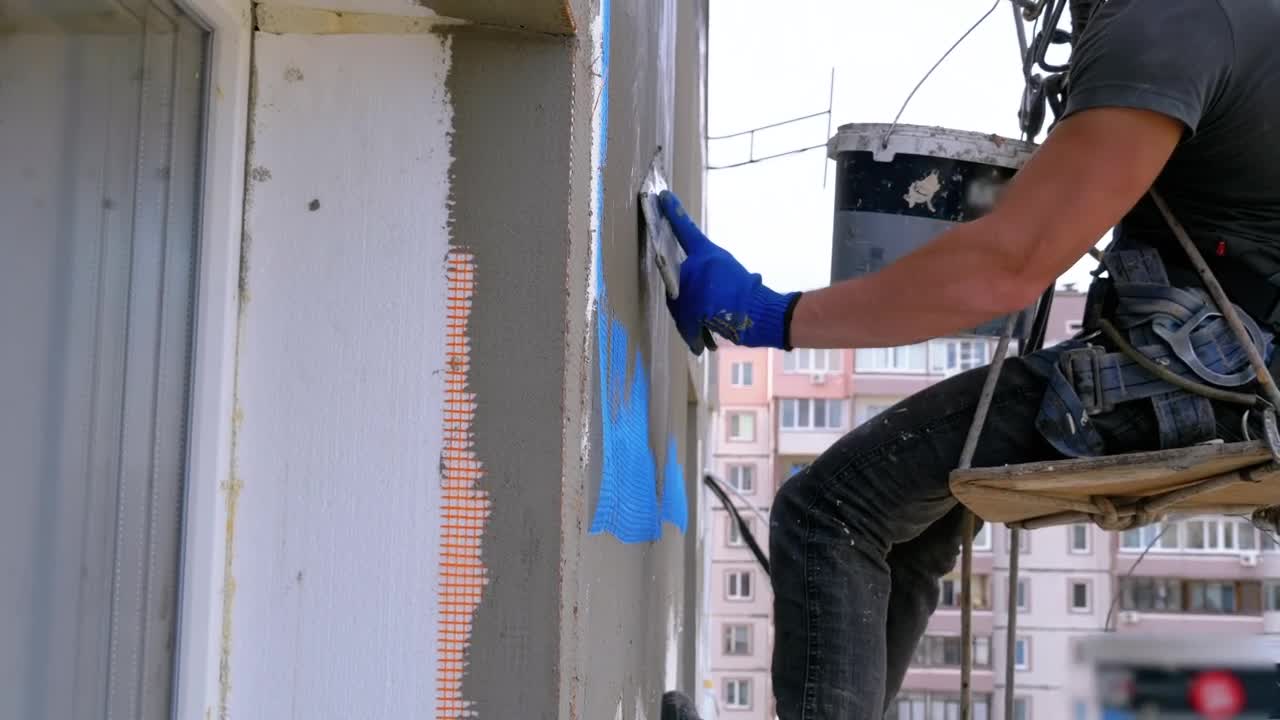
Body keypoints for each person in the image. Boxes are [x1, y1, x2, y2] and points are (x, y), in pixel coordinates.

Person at [659, 1, 1280, 718]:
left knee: (829, 509)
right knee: (911, 530)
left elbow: (1009, 264)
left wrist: (775, 315)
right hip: (1235, 374)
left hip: (1203, 377)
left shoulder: (1172, 17)